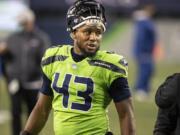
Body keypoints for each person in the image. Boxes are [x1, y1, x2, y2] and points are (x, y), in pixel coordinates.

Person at [20, 0, 136, 135]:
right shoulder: (54, 58)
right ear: (74, 32)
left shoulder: (110, 65)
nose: (94, 37)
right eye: (88, 31)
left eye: (98, 32)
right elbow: (42, 109)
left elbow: (126, 114)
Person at [0, 9, 50, 135]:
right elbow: (6, 59)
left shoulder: (41, 38)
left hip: (33, 83)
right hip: (15, 82)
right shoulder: (12, 38)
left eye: (25, 22)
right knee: (15, 112)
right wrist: (4, 53)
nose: (23, 25)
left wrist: (42, 78)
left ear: (30, 21)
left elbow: (45, 60)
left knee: (32, 113)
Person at [132, 5, 157, 101]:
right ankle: (140, 90)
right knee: (145, 70)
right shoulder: (144, 23)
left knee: (149, 70)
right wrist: (143, 49)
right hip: (144, 51)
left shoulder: (145, 22)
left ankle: (144, 89)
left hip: (147, 51)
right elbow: (141, 37)